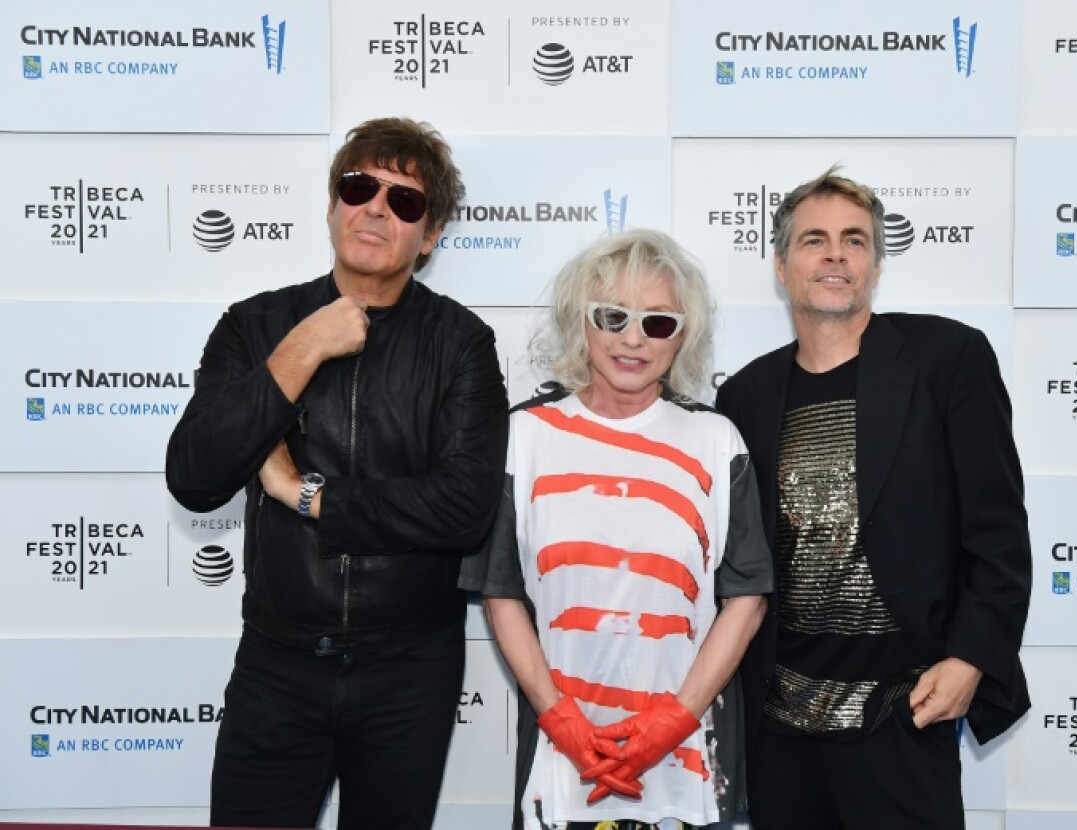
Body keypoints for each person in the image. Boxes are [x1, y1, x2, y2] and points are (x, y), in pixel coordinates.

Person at [165, 117, 509, 830]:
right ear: (331, 206)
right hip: (277, 664)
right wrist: (304, 348)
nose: (376, 208)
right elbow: (195, 478)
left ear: (431, 235)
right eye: (358, 188)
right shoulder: (256, 327)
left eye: (404, 200)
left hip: (409, 671)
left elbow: (464, 510)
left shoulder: (461, 345)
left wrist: (305, 494)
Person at [715, 168, 1031, 829]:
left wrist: (971, 657)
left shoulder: (947, 358)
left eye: (854, 240)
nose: (835, 255)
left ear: (876, 265)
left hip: (903, 715)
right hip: (780, 731)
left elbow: (998, 531)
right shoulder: (743, 396)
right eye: (814, 240)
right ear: (781, 266)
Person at [460, 229, 773, 830]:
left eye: (657, 322)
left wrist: (674, 721)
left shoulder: (716, 440)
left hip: (686, 766)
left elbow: (747, 599)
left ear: (682, 335)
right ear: (580, 320)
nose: (633, 339)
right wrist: (561, 720)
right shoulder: (523, 436)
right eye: (612, 316)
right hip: (560, 765)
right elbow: (501, 592)